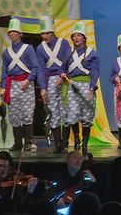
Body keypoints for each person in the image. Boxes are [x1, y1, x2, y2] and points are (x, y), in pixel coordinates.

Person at [61, 21, 100, 155]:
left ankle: (84, 144)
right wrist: (62, 73)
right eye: (74, 36)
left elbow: (95, 71)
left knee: (87, 116)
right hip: (71, 84)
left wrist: (92, 87)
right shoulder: (68, 52)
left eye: (79, 35)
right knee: (72, 114)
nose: (76, 38)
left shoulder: (91, 53)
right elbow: (63, 67)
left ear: (84, 37)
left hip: (86, 85)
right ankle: (76, 138)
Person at [0, 19, 38, 151]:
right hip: (12, 84)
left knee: (27, 114)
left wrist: (28, 80)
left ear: (20, 34)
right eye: (11, 32)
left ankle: (28, 142)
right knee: (14, 115)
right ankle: (17, 143)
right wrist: (3, 87)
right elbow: (4, 71)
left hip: (25, 83)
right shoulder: (6, 52)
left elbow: (35, 67)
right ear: (9, 34)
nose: (13, 34)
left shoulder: (28, 49)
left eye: (15, 32)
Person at [36, 15, 72, 154]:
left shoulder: (63, 43)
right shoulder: (40, 48)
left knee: (66, 110)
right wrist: (43, 88)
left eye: (47, 33)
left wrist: (63, 76)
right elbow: (41, 68)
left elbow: (69, 61)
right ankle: (58, 144)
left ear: (53, 32)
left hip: (63, 78)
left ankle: (65, 142)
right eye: (43, 33)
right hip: (50, 80)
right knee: (54, 112)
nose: (45, 36)